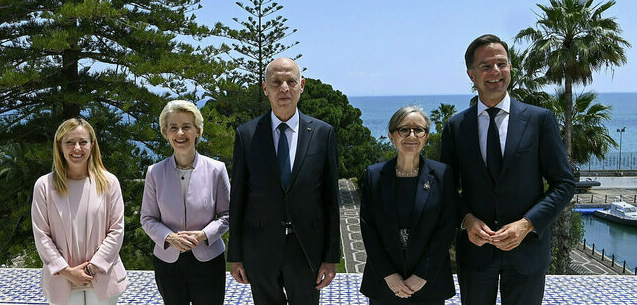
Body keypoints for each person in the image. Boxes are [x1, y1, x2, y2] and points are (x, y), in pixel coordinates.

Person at [440, 34, 575, 305]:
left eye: (501, 64)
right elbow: (446, 188)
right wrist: (467, 220)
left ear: (510, 68)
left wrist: (527, 224)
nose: (495, 72)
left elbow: (564, 183)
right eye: (485, 66)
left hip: (527, 252)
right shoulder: (456, 127)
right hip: (475, 253)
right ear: (471, 74)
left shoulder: (540, 119)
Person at [228, 57, 340, 305]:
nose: (284, 88)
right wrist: (235, 255)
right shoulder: (246, 135)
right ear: (265, 88)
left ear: (302, 85)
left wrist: (331, 257)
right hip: (260, 249)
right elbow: (238, 198)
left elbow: (331, 200)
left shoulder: (323, 134)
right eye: (276, 82)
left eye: (290, 81)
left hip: (306, 248)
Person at [360, 106, 456, 305]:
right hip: (385, 284)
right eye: (404, 129)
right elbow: (369, 229)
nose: (411, 135)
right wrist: (389, 275)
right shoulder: (374, 175)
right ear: (391, 136)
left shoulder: (443, 175)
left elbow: (445, 230)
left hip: (429, 283)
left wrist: (422, 276)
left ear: (426, 136)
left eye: (418, 130)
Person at [141, 100, 230, 305]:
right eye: (173, 127)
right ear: (165, 132)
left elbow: (227, 215)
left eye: (186, 127)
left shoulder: (216, 169)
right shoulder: (154, 172)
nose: (180, 133)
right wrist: (169, 237)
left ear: (198, 131)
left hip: (209, 260)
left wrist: (203, 235)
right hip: (168, 261)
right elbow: (147, 218)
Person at [31, 118, 127, 305]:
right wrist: (67, 271)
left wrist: (92, 267)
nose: (77, 148)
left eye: (83, 142)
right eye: (70, 142)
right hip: (62, 279)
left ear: (92, 145)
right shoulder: (43, 186)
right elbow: (41, 235)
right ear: (59, 146)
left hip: (102, 277)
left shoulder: (109, 183)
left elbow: (117, 230)